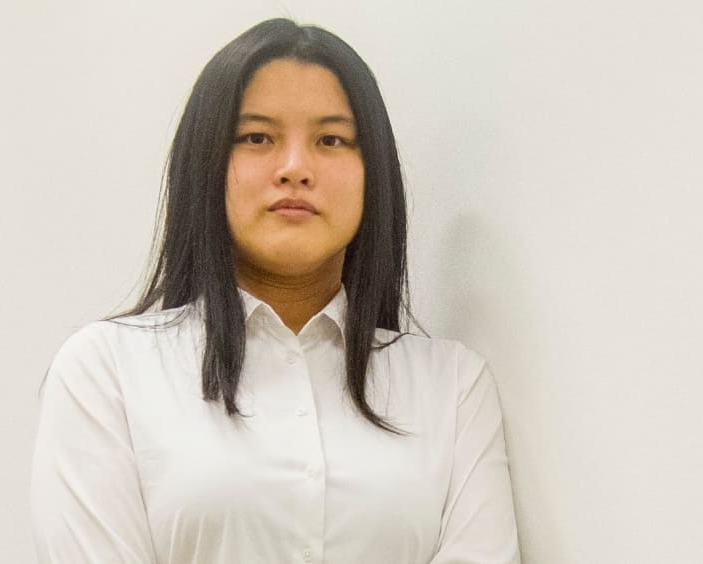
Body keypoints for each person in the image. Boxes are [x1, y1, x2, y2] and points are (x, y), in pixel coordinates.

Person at [30, 18, 520, 564]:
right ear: (206, 163)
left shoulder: (454, 387)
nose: (295, 168)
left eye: (331, 140)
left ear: (373, 173)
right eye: (257, 137)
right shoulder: (107, 372)